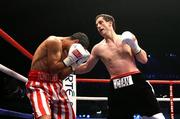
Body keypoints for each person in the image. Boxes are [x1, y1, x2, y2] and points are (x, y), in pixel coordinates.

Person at [74, 14, 165, 119]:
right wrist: (68, 68)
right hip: (116, 86)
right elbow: (86, 67)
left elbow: (144, 60)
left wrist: (134, 45)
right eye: (96, 25)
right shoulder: (97, 48)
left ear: (110, 23)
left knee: (156, 117)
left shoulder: (127, 38)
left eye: (100, 22)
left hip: (136, 81)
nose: (98, 26)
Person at [25, 32, 90, 119]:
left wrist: (76, 64)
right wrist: (71, 59)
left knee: (69, 117)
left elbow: (61, 76)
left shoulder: (66, 52)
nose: (78, 53)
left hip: (56, 85)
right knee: (44, 117)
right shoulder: (54, 41)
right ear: (76, 43)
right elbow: (53, 69)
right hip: (39, 84)